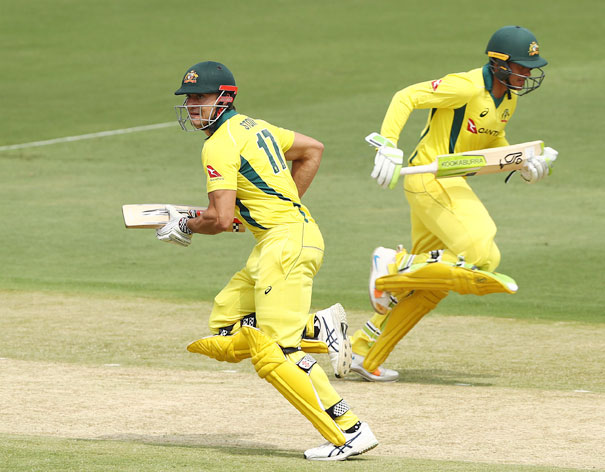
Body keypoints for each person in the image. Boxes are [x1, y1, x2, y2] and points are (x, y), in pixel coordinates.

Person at [156, 60, 377, 460]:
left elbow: (220, 219)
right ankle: (318, 325)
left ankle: (349, 431)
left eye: (199, 97)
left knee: (276, 355)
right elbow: (312, 150)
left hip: (286, 245)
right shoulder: (256, 127)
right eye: (188, 98)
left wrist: (186, 226)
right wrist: (275, 206)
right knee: (225, 328)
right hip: (279, 241)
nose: (191, 106)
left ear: (225, 98)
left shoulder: (218, 144)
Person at [348, 26, 558, 382]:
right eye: (522, 66)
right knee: (482, 252)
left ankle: (364, 352)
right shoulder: (465, 86)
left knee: (432, 287)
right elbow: (405, 97)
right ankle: (393, 266)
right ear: (499, 63)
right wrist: (387, 143)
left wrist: (522, 163)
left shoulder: (508, 98)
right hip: (427, 178)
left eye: (530, 67)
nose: (527, 73)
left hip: (448, 180)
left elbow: (492, 146)